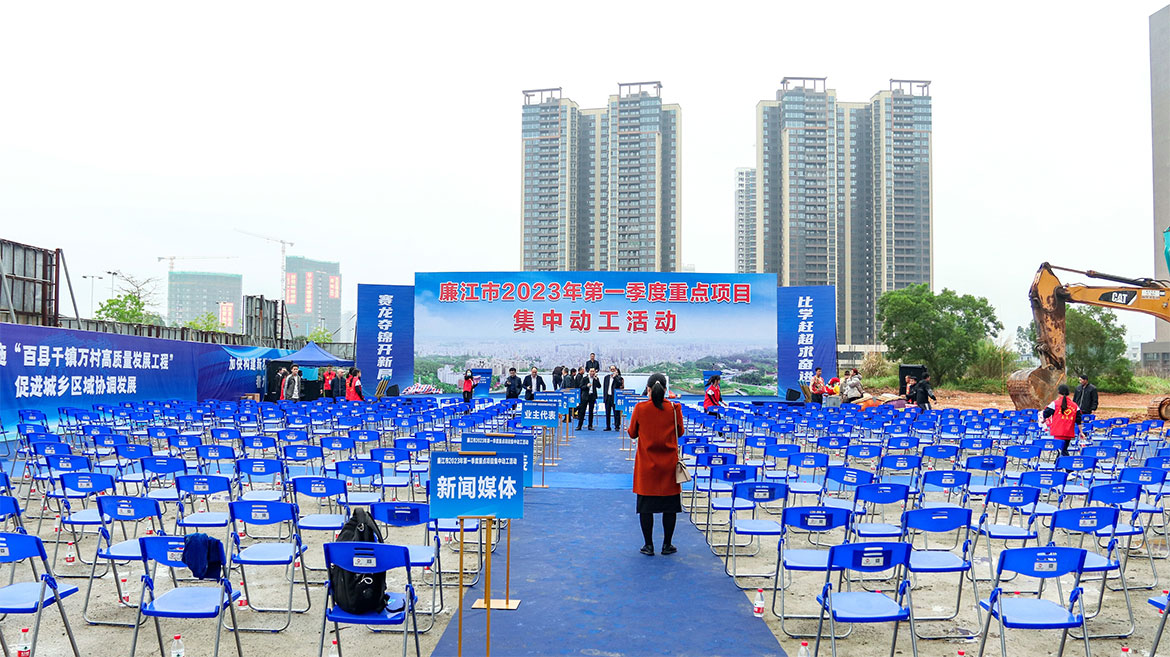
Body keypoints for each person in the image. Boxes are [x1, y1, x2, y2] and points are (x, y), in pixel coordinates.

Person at [628, 372, 684, 556]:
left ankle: (649, 545)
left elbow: (632, 433)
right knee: (670, 508)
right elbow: (680, 432)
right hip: (669, 466)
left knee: (646, 508)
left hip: (647, 467)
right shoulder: (674, 408)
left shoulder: (640, 408)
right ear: (666, 389)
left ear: (648, 389)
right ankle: (667, 544)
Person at [1043, 383, 1082, 455]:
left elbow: (1046, 413)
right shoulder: (1075, 405)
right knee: (1063, 450)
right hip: (1068, 432)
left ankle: (1066, 461)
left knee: (1061, 451)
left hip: (1057, 431)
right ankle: (1061, 461)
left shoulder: (1055, 403)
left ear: (1058, 392)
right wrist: (1081, 432)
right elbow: (1078, 419)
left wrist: (1044, 419)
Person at [603, 365, 625, 431]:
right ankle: (608, 426)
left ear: (615, 370)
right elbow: (605, 388)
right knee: (607, 412)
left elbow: (620, 384)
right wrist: (604, 397)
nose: (612, 370)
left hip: (614, 397)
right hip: (608, 397)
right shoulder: (606, 377)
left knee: (616, 412)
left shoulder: (618, 378)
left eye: (613, 369)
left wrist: (615, 377)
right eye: (611, 369)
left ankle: (617, 426)